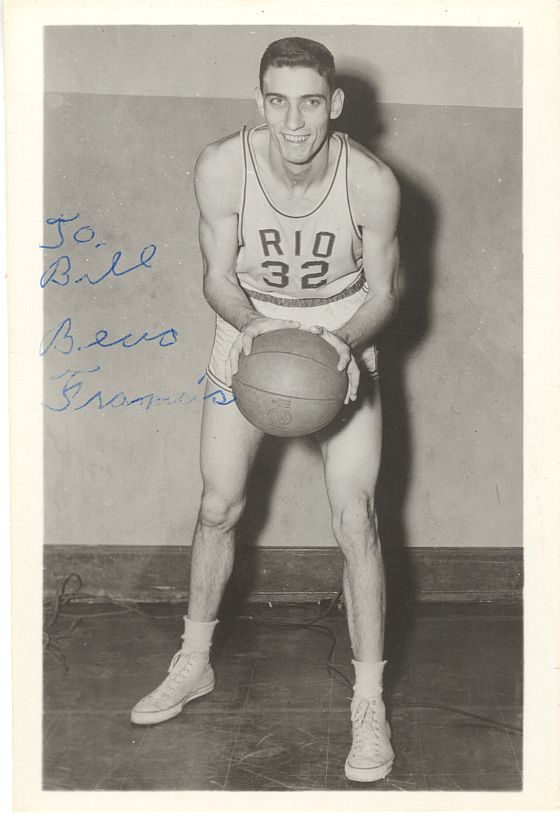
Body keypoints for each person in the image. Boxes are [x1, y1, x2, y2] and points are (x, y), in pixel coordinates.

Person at [131, 37, 400, 784]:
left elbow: (384, 291)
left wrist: (343, 344)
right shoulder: (222, 166)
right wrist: (253, 332)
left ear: (334, 106)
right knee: (218, 504)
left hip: (340, 331)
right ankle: (194, 661)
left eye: (310, 101)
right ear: (260, 103)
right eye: (277, 101)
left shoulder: (372, 182)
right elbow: (217, 276)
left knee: (357, 518)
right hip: (248, 329)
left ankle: (369, 704)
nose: (294, 121)